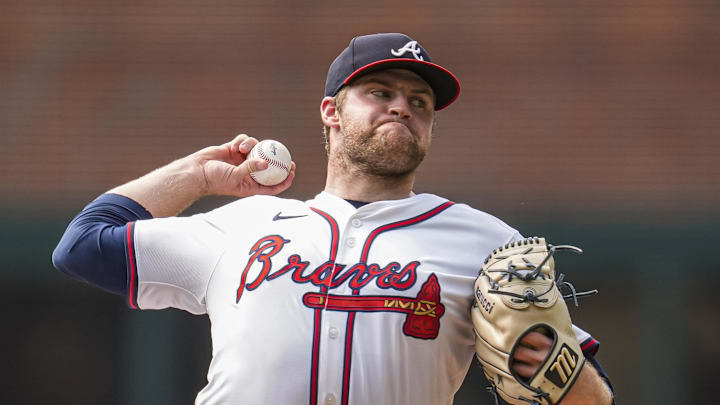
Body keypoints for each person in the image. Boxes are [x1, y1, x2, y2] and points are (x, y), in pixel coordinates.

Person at [53, 33, 614, 405]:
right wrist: (197, 175)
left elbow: (592, 394)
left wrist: (559, 371)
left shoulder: (487, 243)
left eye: (420, 102)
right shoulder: (243, 224)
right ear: (331, 112)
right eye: (380, 92)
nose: (403, 107)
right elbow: (82, 245)